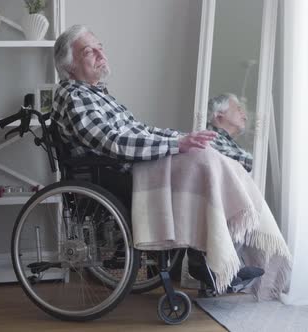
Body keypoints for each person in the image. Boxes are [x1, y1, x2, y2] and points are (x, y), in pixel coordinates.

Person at [51, 25, 262, 291]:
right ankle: (210, 263)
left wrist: (183, 138)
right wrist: (176, 144)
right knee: (202, 164)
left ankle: (209, 260)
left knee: (203, 156)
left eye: (99, 46)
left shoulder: (96, 94)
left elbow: (141, 131)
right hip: (116, 174)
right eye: (88, 51)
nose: (99, 53)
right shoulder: (74, 96)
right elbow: (113, 142)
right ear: (70, 66)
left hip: (129, 168)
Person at [207, 93, 254, 172]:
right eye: (239, 109)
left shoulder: (227, 142)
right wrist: (261, 162)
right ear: (219, 114)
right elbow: (237, 162)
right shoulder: (209, 137)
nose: (245, 117)